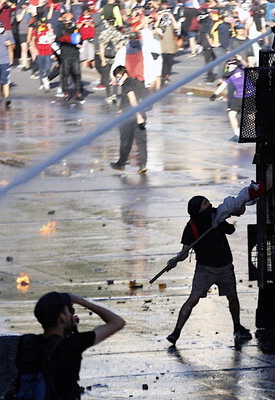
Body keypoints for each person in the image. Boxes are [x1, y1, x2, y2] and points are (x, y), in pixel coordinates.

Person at [165, 182, 266, 345]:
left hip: (225, 266)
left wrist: (219, 224)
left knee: (232, 297)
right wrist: (174, 260)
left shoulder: (215, 216)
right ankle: (176, 333)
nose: (209, 204)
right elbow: (184, 252)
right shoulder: (191, 227)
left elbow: (230, 230)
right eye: (205, 203)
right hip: (205, 269)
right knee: (194, 298)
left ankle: (237, 327)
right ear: (198, 210)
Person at [26, 291, 125, 400]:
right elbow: (117, 322)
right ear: (62, 318)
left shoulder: (28, 342)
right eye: (70, 311)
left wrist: (68, 328)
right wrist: (80, 301)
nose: (72, 313)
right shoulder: (72, 344)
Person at [109, 65, 148, 174]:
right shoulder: (137, 82)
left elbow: (132, 100)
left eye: (118, 77)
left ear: (125, 74)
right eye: (116, 78)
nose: (117, 80)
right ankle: (142, 165)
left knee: (126, 141)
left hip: (130, 117)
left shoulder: (127, 85)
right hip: (141, 114)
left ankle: (121, 163)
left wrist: (138, 116)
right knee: (141, 141)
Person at [210, 57, 246, 141]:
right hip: (239, 97)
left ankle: (255, 133)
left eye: (228, 65)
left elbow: (247, 65)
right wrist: (215, 94)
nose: (227, 67)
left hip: (249, 95)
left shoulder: (242, 69)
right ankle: (237, 134)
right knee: (232, 114)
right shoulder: (230, 76)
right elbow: (223, 85)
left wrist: (241, 59)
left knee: (251, 116)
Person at [55, 12, 84, 102]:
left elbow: (80, 40)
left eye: (71, 19)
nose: (69, 21)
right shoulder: (61, 28)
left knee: (77, 73)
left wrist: (78, 41)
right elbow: (57, 39)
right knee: (65, 73)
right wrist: (66, 38)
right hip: (65, 54)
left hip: (74, 53)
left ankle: (78, 91)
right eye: (68, 19)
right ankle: (66, 91)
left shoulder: (75, 29)